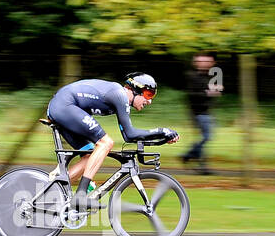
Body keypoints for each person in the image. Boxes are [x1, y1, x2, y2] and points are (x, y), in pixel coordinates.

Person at [45, 72, 178, 208]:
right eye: (149, 95)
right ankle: (80, 196)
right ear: (135, 89)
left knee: (90, 156)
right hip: (64, 105)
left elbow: (127, 136)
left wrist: (161, 137)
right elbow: (131, 134)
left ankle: (52, 190)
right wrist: (162, 131)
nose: (149, 101)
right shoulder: (119, 95)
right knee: (105, 143)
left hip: (63, 106)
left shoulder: (120, 98)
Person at [182, 53, 220, 174]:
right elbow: (191, 95)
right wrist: (208, 92)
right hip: (198, 113)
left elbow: (212, 93)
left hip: (206, 112)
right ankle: (191, 157)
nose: (205, 63)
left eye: (208, 61)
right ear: (196, 63)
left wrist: (214, 91)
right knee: (206, 137)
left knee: (206, 138)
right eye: (202, 61)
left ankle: (195, 160)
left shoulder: (210, 76)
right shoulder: (193, 76)